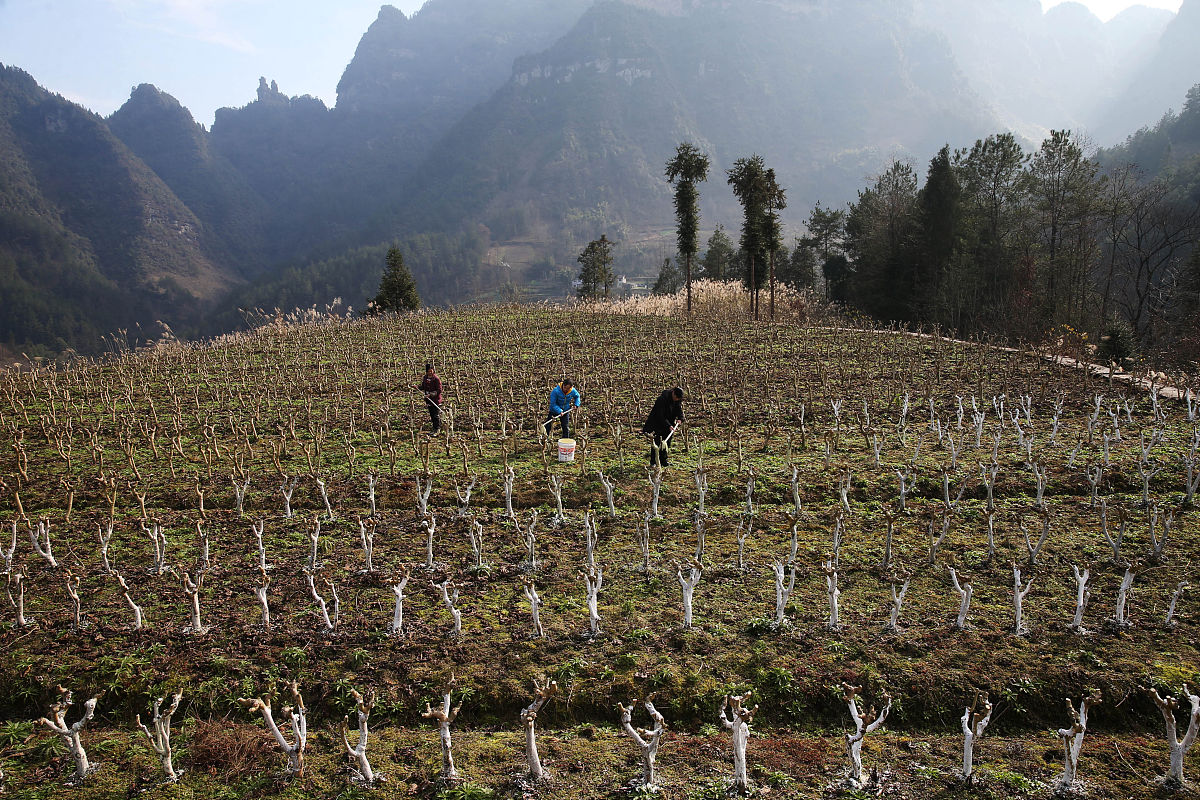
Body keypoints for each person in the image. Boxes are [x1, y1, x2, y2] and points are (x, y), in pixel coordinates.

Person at [642, 386, 684, 467]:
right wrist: (668, 425)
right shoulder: (661, 400)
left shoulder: (677, 400)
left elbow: (679, 410)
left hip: (669, 423)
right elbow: (660, 416)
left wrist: (680, 419)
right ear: (673, 393)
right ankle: (653, 462)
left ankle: (664, 460)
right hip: (657, 424)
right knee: (657, 442)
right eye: (676, 398)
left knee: (666, 442)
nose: (677, 400)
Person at [418, 363, 442, 433]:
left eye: (431, 371)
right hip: (428, 400)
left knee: (435, 415)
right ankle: (435, 428)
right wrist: (417, 387)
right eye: (428, 371)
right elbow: (423, 386)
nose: (430, 373)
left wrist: (431, 394)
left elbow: (439, 390)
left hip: (435, 399)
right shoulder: (425, 378)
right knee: (431, 414)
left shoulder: (436, 379)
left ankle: (437, 429)